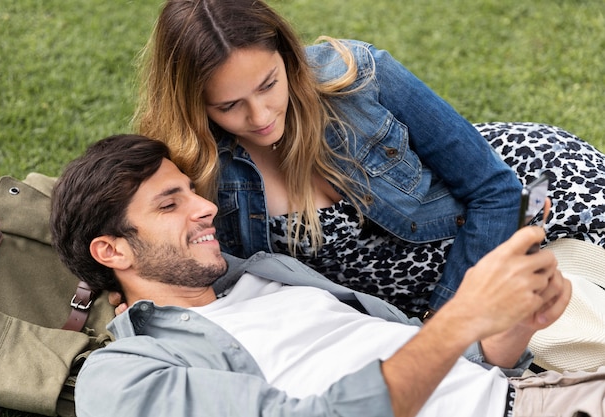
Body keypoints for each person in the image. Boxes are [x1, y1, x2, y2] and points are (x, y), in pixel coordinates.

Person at [49, 134, 605, 417]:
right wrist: (461, 317)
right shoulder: (123, 373)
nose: (205, 207)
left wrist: (512, 330)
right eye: (170, 205)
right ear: (111, 250)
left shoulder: (268, 274)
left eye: (193, 191)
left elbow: (448, 366)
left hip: (526, 393)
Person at [133, 0, 605, 318]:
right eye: (229, 106)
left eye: (268, 85)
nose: (259, 117)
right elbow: (207, 280)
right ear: (193, 104)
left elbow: (496, 191)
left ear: (288, 57)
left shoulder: (357, 76)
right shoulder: (194, 169)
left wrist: (446, 328)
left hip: (521, 192)